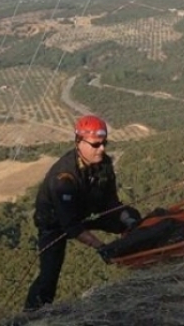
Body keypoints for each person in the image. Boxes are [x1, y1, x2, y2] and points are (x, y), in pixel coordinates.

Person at [23, 115, 141, 312]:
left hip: (87, 211)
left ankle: (138, 257)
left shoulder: (104, 163)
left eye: (104, 143)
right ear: (79, 143)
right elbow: (70, 226)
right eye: (96, 145)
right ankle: (32, 315)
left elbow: (111, 201)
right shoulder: (64, 178)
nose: (102, 149)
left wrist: (127, 220)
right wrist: (101, 246)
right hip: (55, 222)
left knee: (133, 216)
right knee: (49, 274)